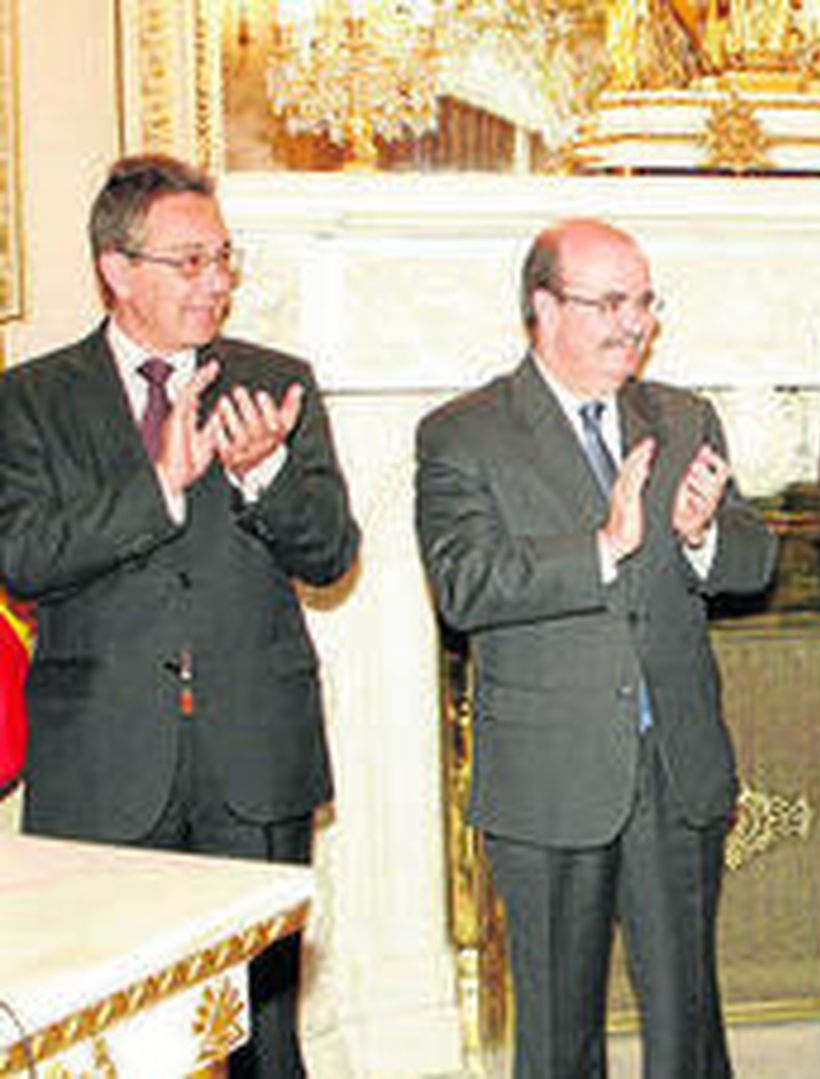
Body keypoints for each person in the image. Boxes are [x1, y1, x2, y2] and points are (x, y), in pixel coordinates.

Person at [0, 154, 360, 1077]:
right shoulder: (29, 399)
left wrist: (263, 474)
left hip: (254, 756)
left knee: (264, 1042)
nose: (216, 282)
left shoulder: (275, 383)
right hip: (104, 764)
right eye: (189, 261)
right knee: (113, 1042)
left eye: (223, 258)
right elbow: (21, 555)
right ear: (118, 270)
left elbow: (331, 553)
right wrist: (158, 487)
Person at [414, 219, 776, 1078]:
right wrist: (602, 547)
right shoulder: (463, 432)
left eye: (644, 302)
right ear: (544, 307)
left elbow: (756, 559)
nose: (634, 323)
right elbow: (464, 584)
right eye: (609, 303)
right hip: (549, 776)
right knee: (557, 1036)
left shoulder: (683, 417)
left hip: (676, 768)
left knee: (688, 1024)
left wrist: (701, 536)